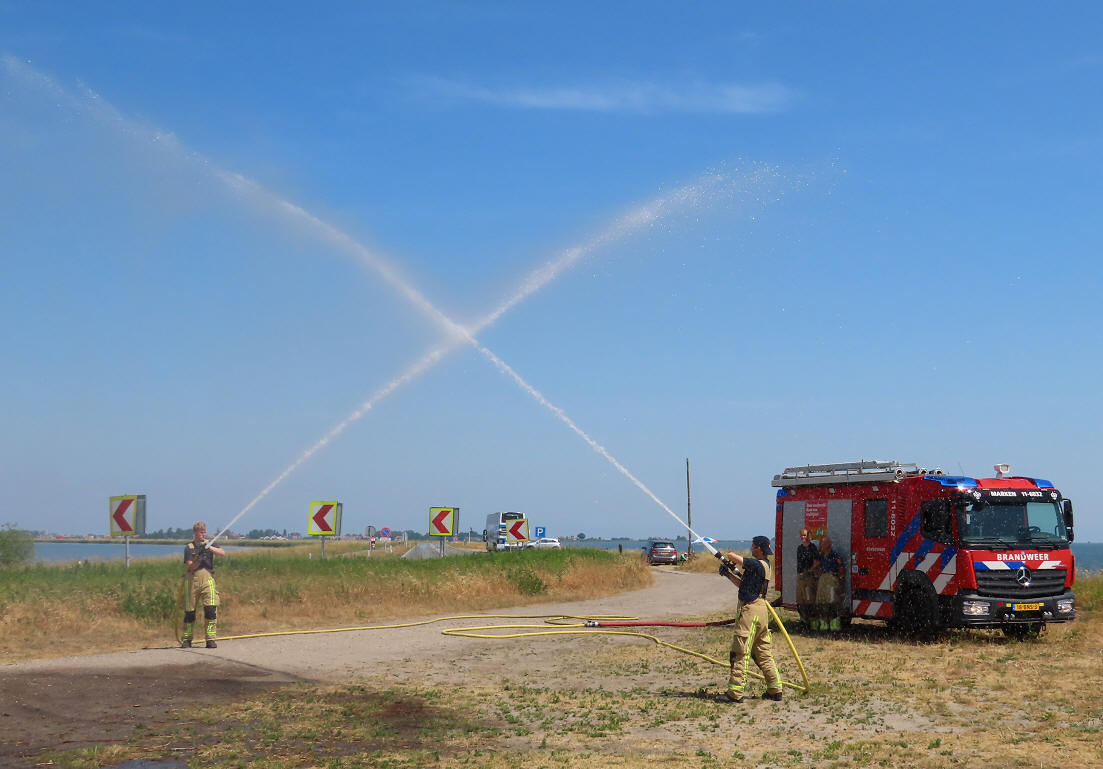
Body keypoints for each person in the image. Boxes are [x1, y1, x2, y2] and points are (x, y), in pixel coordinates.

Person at [719, 535, 783, 702]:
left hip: (751, 612)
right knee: (763, 652)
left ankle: (735, 693)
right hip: (760, 611)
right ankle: (775, 690)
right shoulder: (763, 566)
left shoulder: (757, 564)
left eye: (753, 546)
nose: (751, 548)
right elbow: (743, 585)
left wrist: (728, 557)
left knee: (741, 651)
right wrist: (727, 574)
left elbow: (733, 556)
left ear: (759, 549)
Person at [181, 521, 226, 648]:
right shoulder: (189, 548)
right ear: (195, 532)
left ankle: (210, 639)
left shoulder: (209, 544)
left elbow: (222, 553)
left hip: (208, 579)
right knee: (190, 611)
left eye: (204, 532)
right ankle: (187, 639)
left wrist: (209, 547)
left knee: (211, 608)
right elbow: (190, 566)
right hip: (192, 580)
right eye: (201, 532)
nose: (203, 534)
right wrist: (199, 558)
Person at [812, 535, 846, 631]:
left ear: (829, 544)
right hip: (823, 581)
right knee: (821, 603)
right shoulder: (821, 557)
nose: (821, 545)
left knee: (832, 602)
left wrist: (839, 579)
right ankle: (824, 625)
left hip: (831, 581)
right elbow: (815, 567)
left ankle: (834, 626)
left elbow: (841, 569)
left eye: (823, 543)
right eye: (820, 543)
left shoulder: (835, 556)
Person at [795, 528, 819, 626]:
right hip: (800, 575)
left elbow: (817, 561)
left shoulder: (813, 547)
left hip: (810, 576)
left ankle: (812, 621)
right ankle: (803, 620)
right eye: (801, 535)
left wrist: (810, 570)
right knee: (801, 599)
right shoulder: (799, 548)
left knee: (810, 598)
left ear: (808, 536)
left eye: (804, 535)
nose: (802, 537)